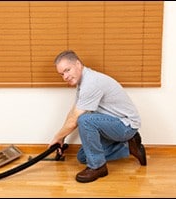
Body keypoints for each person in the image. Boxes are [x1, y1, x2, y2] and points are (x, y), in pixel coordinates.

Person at [48, 50, 147, 183]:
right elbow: (73, 113)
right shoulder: (83, 82)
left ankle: (98, 168)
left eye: (67, 70)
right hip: (111, 126)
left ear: (78, 64)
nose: (65, 76)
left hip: (125, 125)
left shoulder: (91, 82)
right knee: (83, 157)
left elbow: (75, 120)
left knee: (85, 120)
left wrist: (57, 138)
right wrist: (62, 138)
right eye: (62, 74)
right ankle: (128, 147)